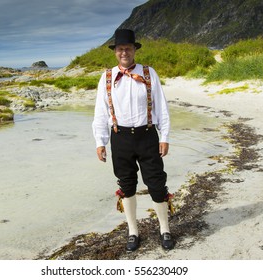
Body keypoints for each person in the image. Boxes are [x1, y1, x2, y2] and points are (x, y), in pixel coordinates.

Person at [92, 29, 174, 252]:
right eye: (120, 49)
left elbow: (162, 107)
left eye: (128, 48)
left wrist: (164, 136)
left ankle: (165, 229)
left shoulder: (149, 73)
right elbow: (101, 112)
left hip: (147, 136)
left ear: (135, 49)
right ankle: (133, 232)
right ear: (115, 52)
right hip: (119, 138)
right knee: (126, 185)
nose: (124, 52)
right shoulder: (107, 77)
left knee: (156, 184)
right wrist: (100, 142)